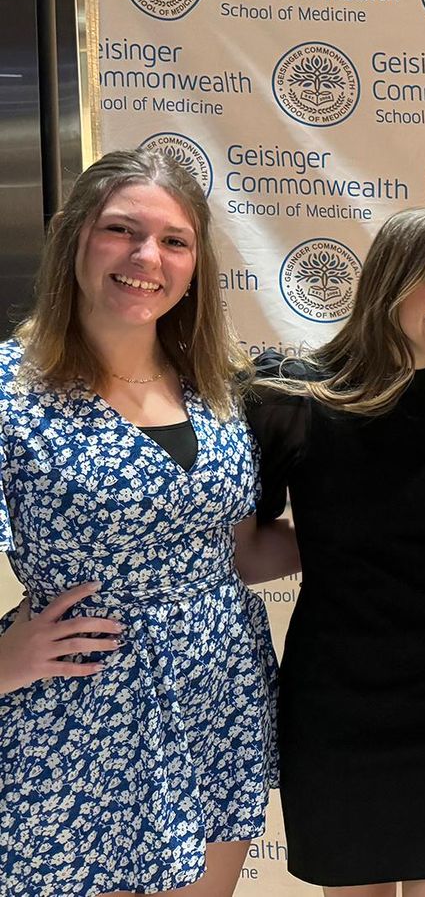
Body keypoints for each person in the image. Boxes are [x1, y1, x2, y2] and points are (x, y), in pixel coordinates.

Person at [0, 148, 294, 896]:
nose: (145, 257)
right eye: (120, 231)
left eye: (174, 240)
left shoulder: (221, 386)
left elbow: (226, 552)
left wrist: (378, 541)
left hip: (216, 702)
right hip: (81, 716)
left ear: (196, 264)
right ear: (73, 239)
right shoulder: (12, 388)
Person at [247, 208, 425, 896]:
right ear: (390, 278)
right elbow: (247, 551)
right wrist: (333, 540)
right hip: (333, 693)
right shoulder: (293, 396)